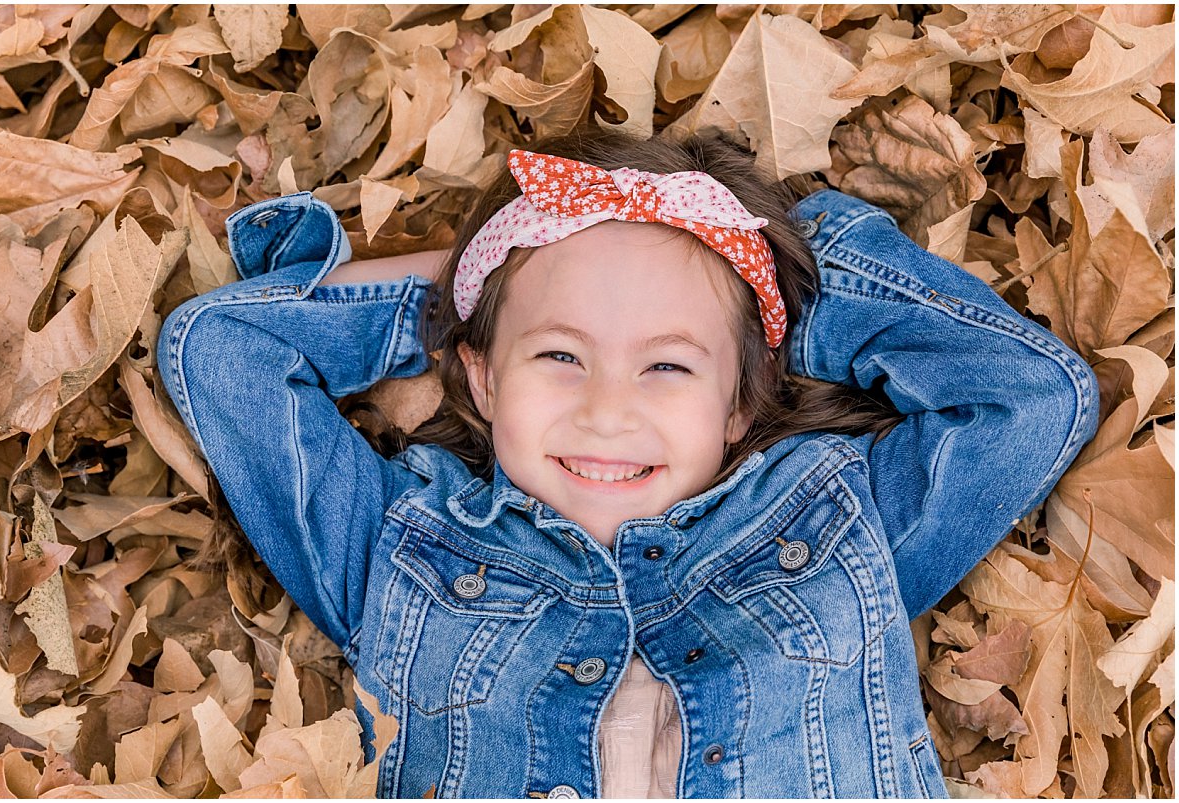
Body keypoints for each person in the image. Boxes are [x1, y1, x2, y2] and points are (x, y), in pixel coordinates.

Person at [157, 131, 1099, 798]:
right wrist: (456, 297)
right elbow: (223, 351)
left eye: (669, 364)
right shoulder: (403, 546)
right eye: (558, 354)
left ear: (738, 404)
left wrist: (784, 274)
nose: (609, 408)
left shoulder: (835, 525)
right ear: (481, 379)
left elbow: (1029, 399)